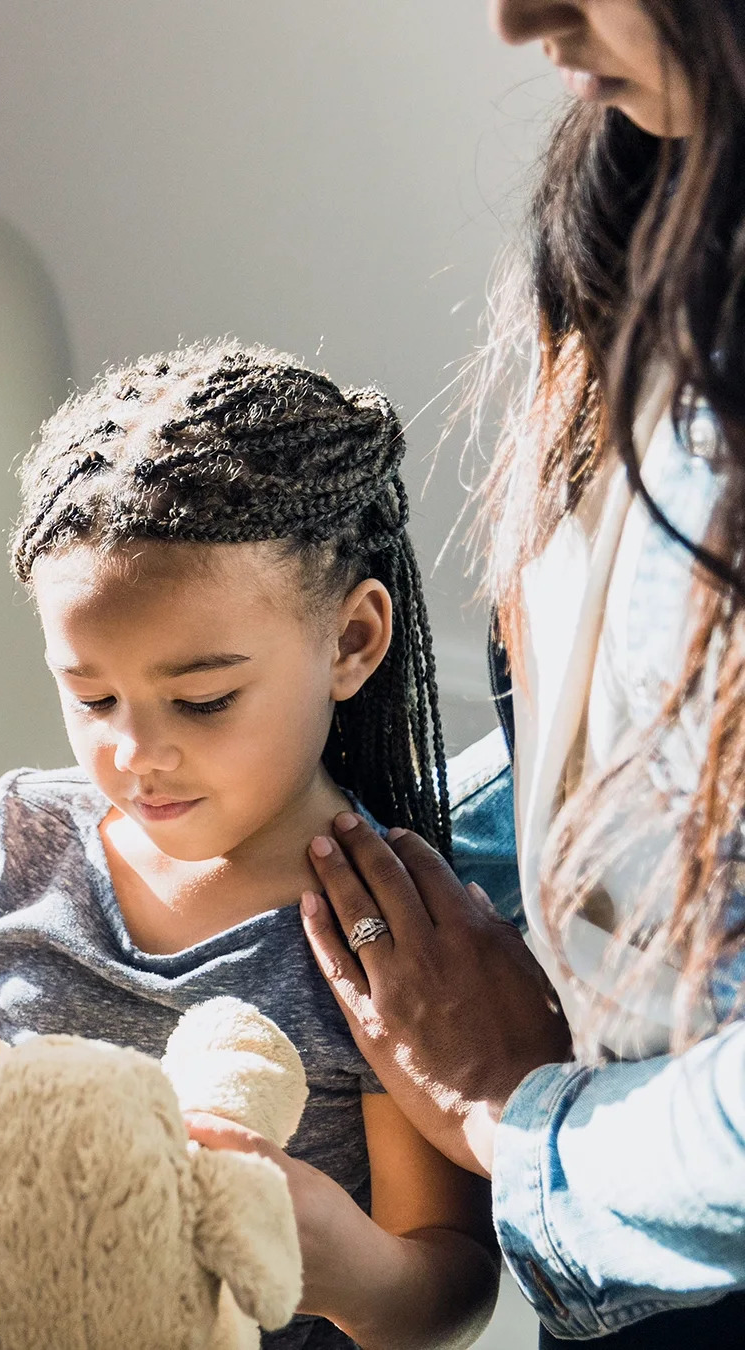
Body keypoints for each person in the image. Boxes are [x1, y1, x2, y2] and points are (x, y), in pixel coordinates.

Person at [0, 345, 500, 1349]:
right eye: (90, 697)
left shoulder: (385, 936)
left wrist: (349, 1263)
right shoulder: (3, 848)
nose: (137, 753)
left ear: (351, 642)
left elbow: (449, 1289)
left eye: (203, 700)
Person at [292, 1, 745, 1343]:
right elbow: (631, 772)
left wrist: (518, 1115)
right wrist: (174, 895)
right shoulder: (656, 212)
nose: (515, 19)